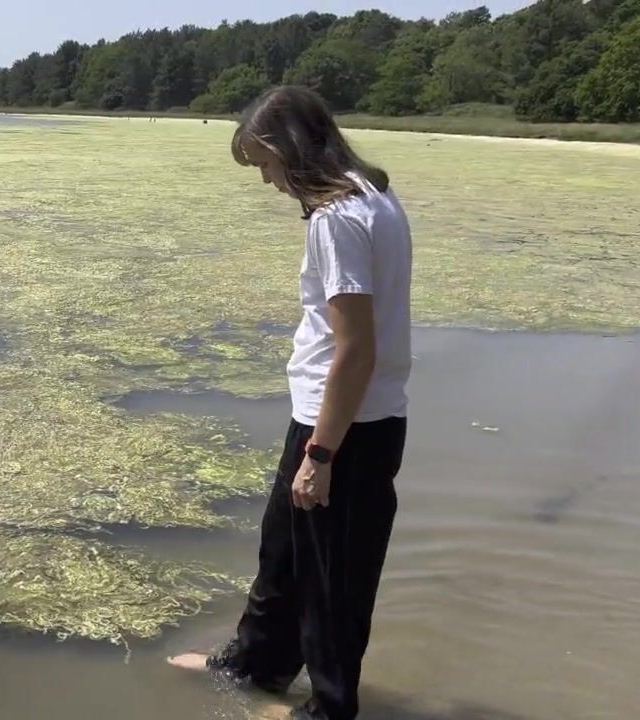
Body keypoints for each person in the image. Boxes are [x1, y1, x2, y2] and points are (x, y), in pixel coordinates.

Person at [168, 86, 412, 720]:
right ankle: (255, 667)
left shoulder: (338, 219)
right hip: (332, 417)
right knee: (282, 553)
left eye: (266, 164)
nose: (268, 181)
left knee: (333, 581)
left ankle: (328, 710)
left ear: (292, 149)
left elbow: (355, 348)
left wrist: (321, 455)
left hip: (348, 426)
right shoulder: (374, 196)